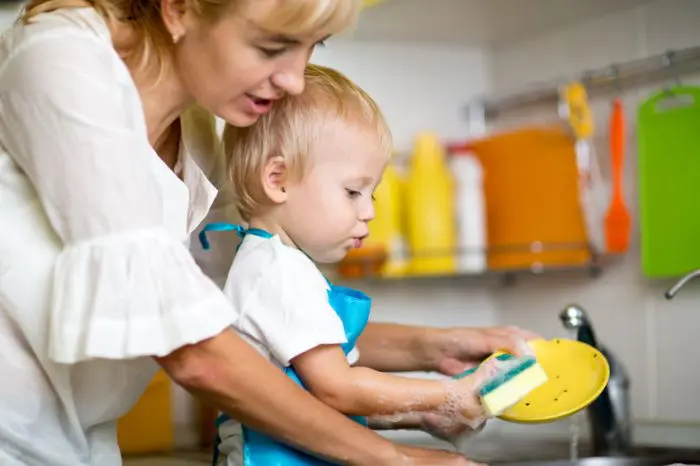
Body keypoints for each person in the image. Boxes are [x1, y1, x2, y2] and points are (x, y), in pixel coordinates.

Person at [0, 0, 536, 465]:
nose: (295, 80)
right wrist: (395, 452)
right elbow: (194, 350)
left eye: (311, 47)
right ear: (179, 8)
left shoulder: (199, 131)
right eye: (272, 46)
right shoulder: (61, 62)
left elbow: (262, 316)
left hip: (82, 445)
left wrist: (441, 346)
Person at [202, 63, 516, 466]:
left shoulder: (274, 262)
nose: (368, 211)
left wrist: (422, 413)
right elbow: (338, 389)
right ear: (278, 179)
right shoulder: (277, 274)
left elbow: (319, 396)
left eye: (372, 193)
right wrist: (447, 397)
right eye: (352, 191)